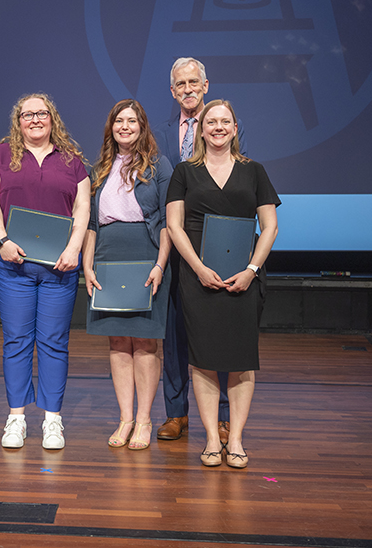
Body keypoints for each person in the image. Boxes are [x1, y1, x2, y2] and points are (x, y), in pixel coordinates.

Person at [166, 99, 279, 468]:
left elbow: (270, 227)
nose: (217, 127)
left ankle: (238, 441)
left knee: (242, 362)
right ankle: (213, 439)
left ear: (234, 128)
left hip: (243, 280)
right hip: (198, 279)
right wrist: (197, 268)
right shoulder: (185, 171)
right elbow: (174, 226)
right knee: (203, 361)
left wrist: (250, 269)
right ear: (201, 129)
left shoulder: (254, 171)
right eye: (210, 121)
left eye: (224, 121)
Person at [0, 93, 90, 450]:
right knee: (16, 341)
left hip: (60, 268)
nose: (35, 120)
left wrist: (74, 249)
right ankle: (16, 419)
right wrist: (2, 241)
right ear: (18, 120)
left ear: (52, 117)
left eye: (41, 113)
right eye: (27, 114)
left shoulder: (73, 160)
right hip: (13, 265)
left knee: (54, 343)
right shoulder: (0, 154)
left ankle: (52, 421)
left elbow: (83, 208)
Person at [83, 100, 173, 450]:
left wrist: (160, 264)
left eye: (131, 121)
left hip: (146, 258)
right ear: (111, 127)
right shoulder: (100, 169)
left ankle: (146, 420)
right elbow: (90, 225)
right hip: (107, 258)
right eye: (118, 121)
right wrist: (87, 266)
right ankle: (125, 418)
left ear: (142, 126)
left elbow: (167, 221)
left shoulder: (159, 166)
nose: (125, 126)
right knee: (118, 342)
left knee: (146, 343)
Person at [153, 57, 230, 442]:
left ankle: (222, 417)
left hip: (211, 239)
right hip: (172, 239)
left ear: (205, 85)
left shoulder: (222, 126)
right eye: (180, 83)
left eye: (193, 82)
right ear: (173, 90)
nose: (187, 88)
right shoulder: (161, 134)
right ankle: (176, 413)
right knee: (173, 334)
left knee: (217, 331)